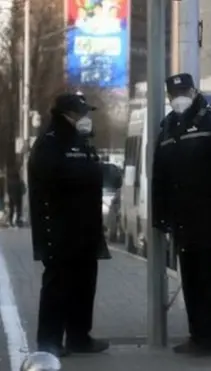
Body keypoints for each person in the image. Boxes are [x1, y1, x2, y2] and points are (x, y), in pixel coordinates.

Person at [152, 73, 211, 355]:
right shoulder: (167, 128)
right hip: (183, 222)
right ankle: (197, 335)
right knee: (190, 280)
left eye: (184, 92)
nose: (179, 99)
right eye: (174, 95)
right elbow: (159, 177)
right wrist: (160, 216)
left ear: (195, 91)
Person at [28, 92, 111, 357]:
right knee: (58, 286)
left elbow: (90, 174)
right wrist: (92, 173)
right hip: (61, 229)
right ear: (69, 114)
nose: (87, 118)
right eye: (83, 113)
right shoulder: (51, 142)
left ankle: (79, 337)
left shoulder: (81, 141)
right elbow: (51, 181)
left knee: (84, 286)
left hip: (85, 228)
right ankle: (49, 342)